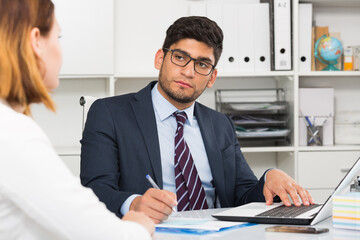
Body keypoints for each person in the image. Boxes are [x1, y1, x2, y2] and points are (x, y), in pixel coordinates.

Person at [80, 16, 314, 224]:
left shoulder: (221, 124)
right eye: (180, 57)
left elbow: (242, 196)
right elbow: (95, 189)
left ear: (212, 77)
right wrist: (133, 204)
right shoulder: (109, 113)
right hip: (153, 232)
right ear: (160, 59)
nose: (189, 72)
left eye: (202, 64)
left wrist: (268, 178)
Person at [0, 0, 154, 239]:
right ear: (36, 41)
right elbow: (100, 234)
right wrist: (138, 226)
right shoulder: (13, 134)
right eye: (58, 37)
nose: (61, 50)